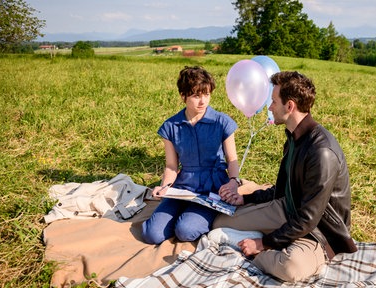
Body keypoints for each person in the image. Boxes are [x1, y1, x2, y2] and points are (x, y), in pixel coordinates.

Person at [214, 71, 358, 283]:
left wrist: (262, 244)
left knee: (290, 268)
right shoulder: (293, 137)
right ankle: (271, 241)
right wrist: (247, 199)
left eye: (273, 102)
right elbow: (281, 189)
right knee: (219, 223)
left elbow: (309, 218)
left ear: (289, 106)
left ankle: (261, 250)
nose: (270, 107)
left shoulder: (321, 153)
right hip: (288, 210)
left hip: (317, 232)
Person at [142, 66, 241, 245]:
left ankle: (201, 217)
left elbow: (232, 159)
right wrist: (164, 186)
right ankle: (183, 213)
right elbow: (171, 166)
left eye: (207, 94)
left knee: (185, 231)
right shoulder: (170, 126)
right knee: (152, 235)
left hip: (213, 189)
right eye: (196, 95)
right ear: (183, 96)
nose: (202, 101)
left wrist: (233, 182)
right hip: (183, 188)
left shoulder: (222, 122)